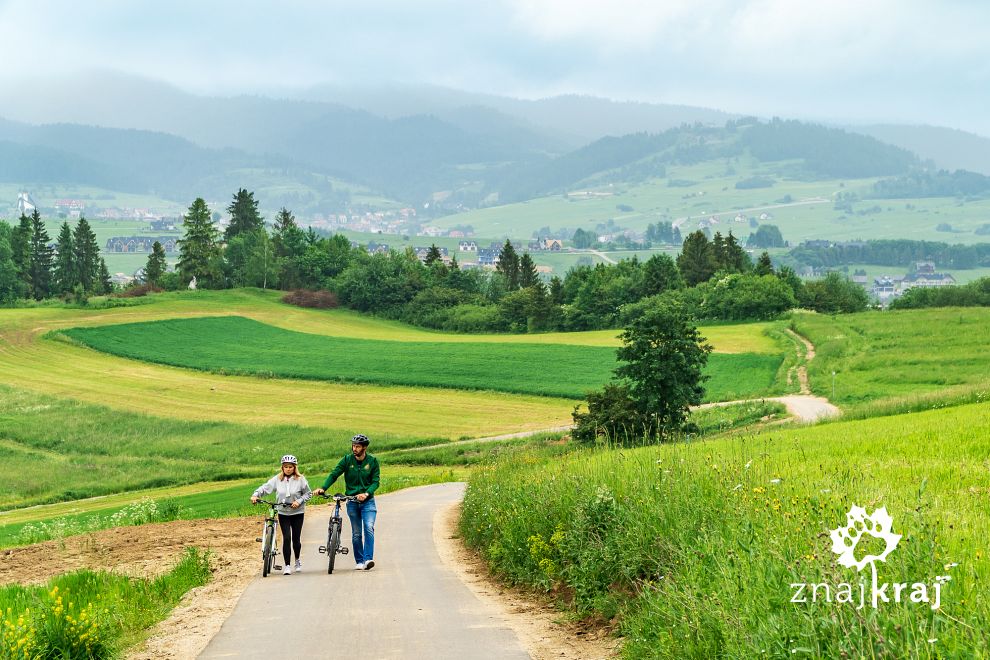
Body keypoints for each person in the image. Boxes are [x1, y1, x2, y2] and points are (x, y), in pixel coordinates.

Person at [314, 434, 380, 570]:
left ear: (365, 447)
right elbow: (334, 474)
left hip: (368, 502)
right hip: (352, 501)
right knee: (356, 533)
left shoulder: (372, 461)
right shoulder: (347, 460)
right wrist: (323, 487)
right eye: (353, 446)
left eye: (358, 446)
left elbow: (375, 482)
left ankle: (368, 559)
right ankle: (359, 561)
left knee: (368, 527)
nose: (354, 448)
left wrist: (366, 493)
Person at [252, 455, 312, 575]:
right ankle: (287, 565)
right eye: (286, 467)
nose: (288, 469)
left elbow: (308, 494)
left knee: (296, 539)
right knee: (286, 538)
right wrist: (256, 494)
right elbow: (265, 488)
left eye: (290, 467)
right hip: (283, 512)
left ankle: (297, 560)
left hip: (297, 512)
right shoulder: (277, 479)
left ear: (294, 468)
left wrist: (298, 501)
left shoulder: (301, 479)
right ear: (282, 468)